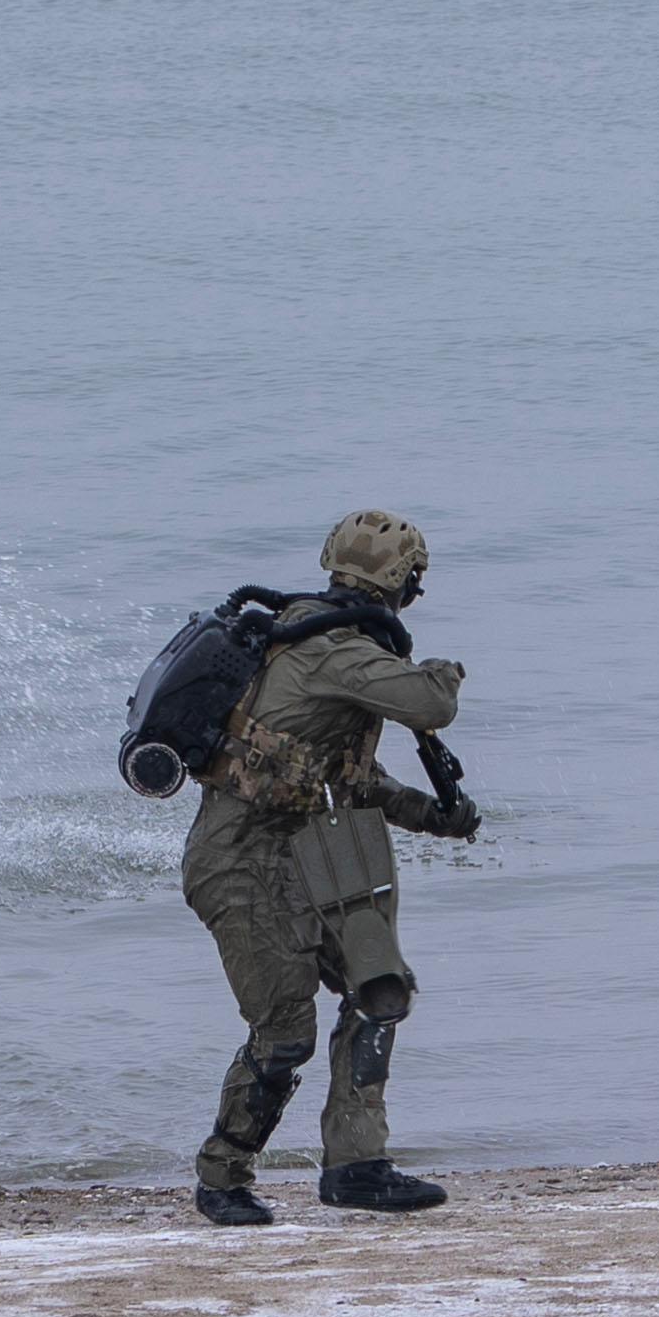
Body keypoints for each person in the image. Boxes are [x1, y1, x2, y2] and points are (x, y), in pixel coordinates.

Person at [182, 510, 481, 1225]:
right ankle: (221, 1176)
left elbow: (350, 779)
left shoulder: (314, 641)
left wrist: (432, 815)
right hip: (240, 867)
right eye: (414, 579)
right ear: (399, 580)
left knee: (379, 990)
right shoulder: (331, 650)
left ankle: (356, 1166)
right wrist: (443, 668)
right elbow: (429, 702)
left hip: (303, 857)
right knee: (285, 1033)